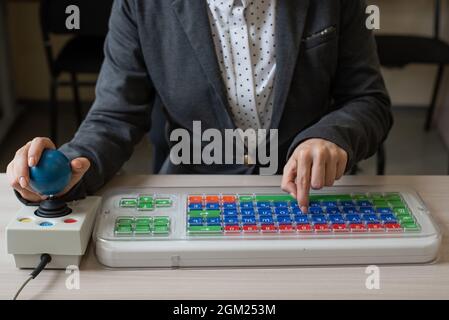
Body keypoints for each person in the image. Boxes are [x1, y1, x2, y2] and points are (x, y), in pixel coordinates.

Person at [7, 0, 392, 212]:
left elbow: (368, 99)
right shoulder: (140, 6)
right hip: (193, 191)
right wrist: (69, 167)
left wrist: (330, 136)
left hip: (313, 193)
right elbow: (114, 115)